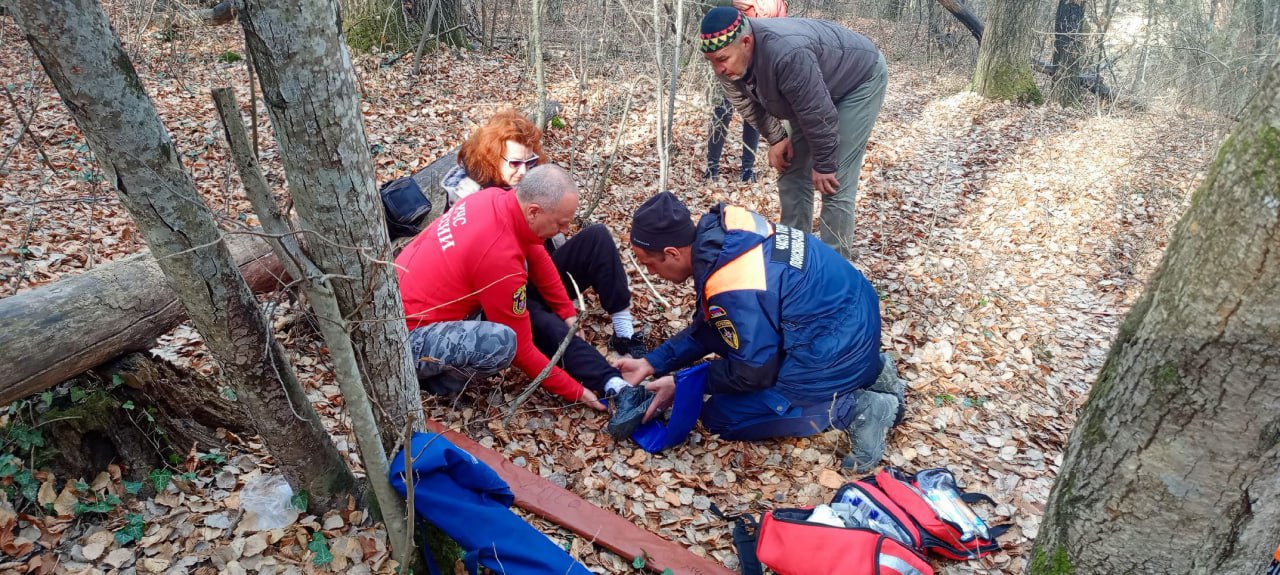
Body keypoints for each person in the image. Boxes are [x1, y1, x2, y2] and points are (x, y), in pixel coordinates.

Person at [614, 192, 903, 472]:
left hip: (834, 347)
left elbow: (752, 373)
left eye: (647, 263)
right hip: (851, 320)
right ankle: (873, 369)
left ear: (672, 253)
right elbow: (713, 328)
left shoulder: (734, 285)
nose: (649, 273)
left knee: (721, 417)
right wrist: (651, 363)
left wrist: (683, 384)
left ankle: (857, 408)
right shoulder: (727, 235)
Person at [398, 165, 636, 411]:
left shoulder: (493, 198)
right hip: (408, 340)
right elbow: (521, 350)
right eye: (561, 223)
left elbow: (535, 250)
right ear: (533, 212)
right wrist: (576, 391)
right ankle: (434, 383)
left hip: (403, 299)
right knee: (502, 343)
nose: (565, 231)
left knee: (536, 303)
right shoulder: (499, 257)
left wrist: (567, 312)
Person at [440, 110, 648, 358]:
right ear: (492, 158)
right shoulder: (468, 194)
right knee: (545, 323)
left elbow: (549, 244)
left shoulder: (533, 186)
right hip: (501, 291)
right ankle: (595, 374)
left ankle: (624, 333)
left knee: (597, 236)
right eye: (515, 163)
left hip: (539, 273)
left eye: (530, 162)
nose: (524, 171)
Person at [699, 7, 888, 259]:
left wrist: (824, 163)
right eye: (711, 62)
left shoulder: (786, 53)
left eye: (722, 60)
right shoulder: (726, 61)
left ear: (746, 42)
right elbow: (746, 103)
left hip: (858, 80)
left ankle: (834, 269)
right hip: (812, 90)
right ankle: (794, 261)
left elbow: (818, 113)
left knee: (833, 182)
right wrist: (777, 138)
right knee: (790, 170)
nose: (718, 69)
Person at [701, 0, 785, 183]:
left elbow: (779, 28)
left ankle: (746, 168)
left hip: (756, 62)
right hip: (726, 58)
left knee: (754, 114)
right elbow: (713, 12)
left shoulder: (776, 3)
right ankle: (712, 167)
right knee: (721, 112)